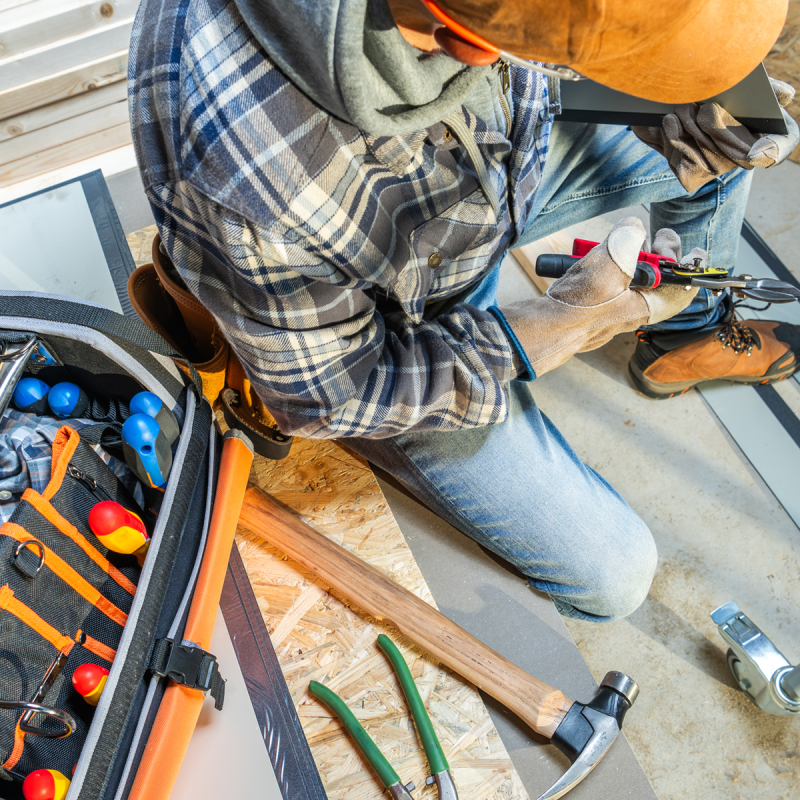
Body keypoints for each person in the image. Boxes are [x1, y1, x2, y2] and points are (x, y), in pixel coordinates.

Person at [129, 0, 797, 621]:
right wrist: (542, 332)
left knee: (720, 149)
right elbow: (333, 396)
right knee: (615, 576)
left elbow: (532, 60)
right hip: (393, 325)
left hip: (483, 177)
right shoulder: (247, 177)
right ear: (468, 46)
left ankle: (682, 333)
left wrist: (651, 93)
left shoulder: (475, 20)